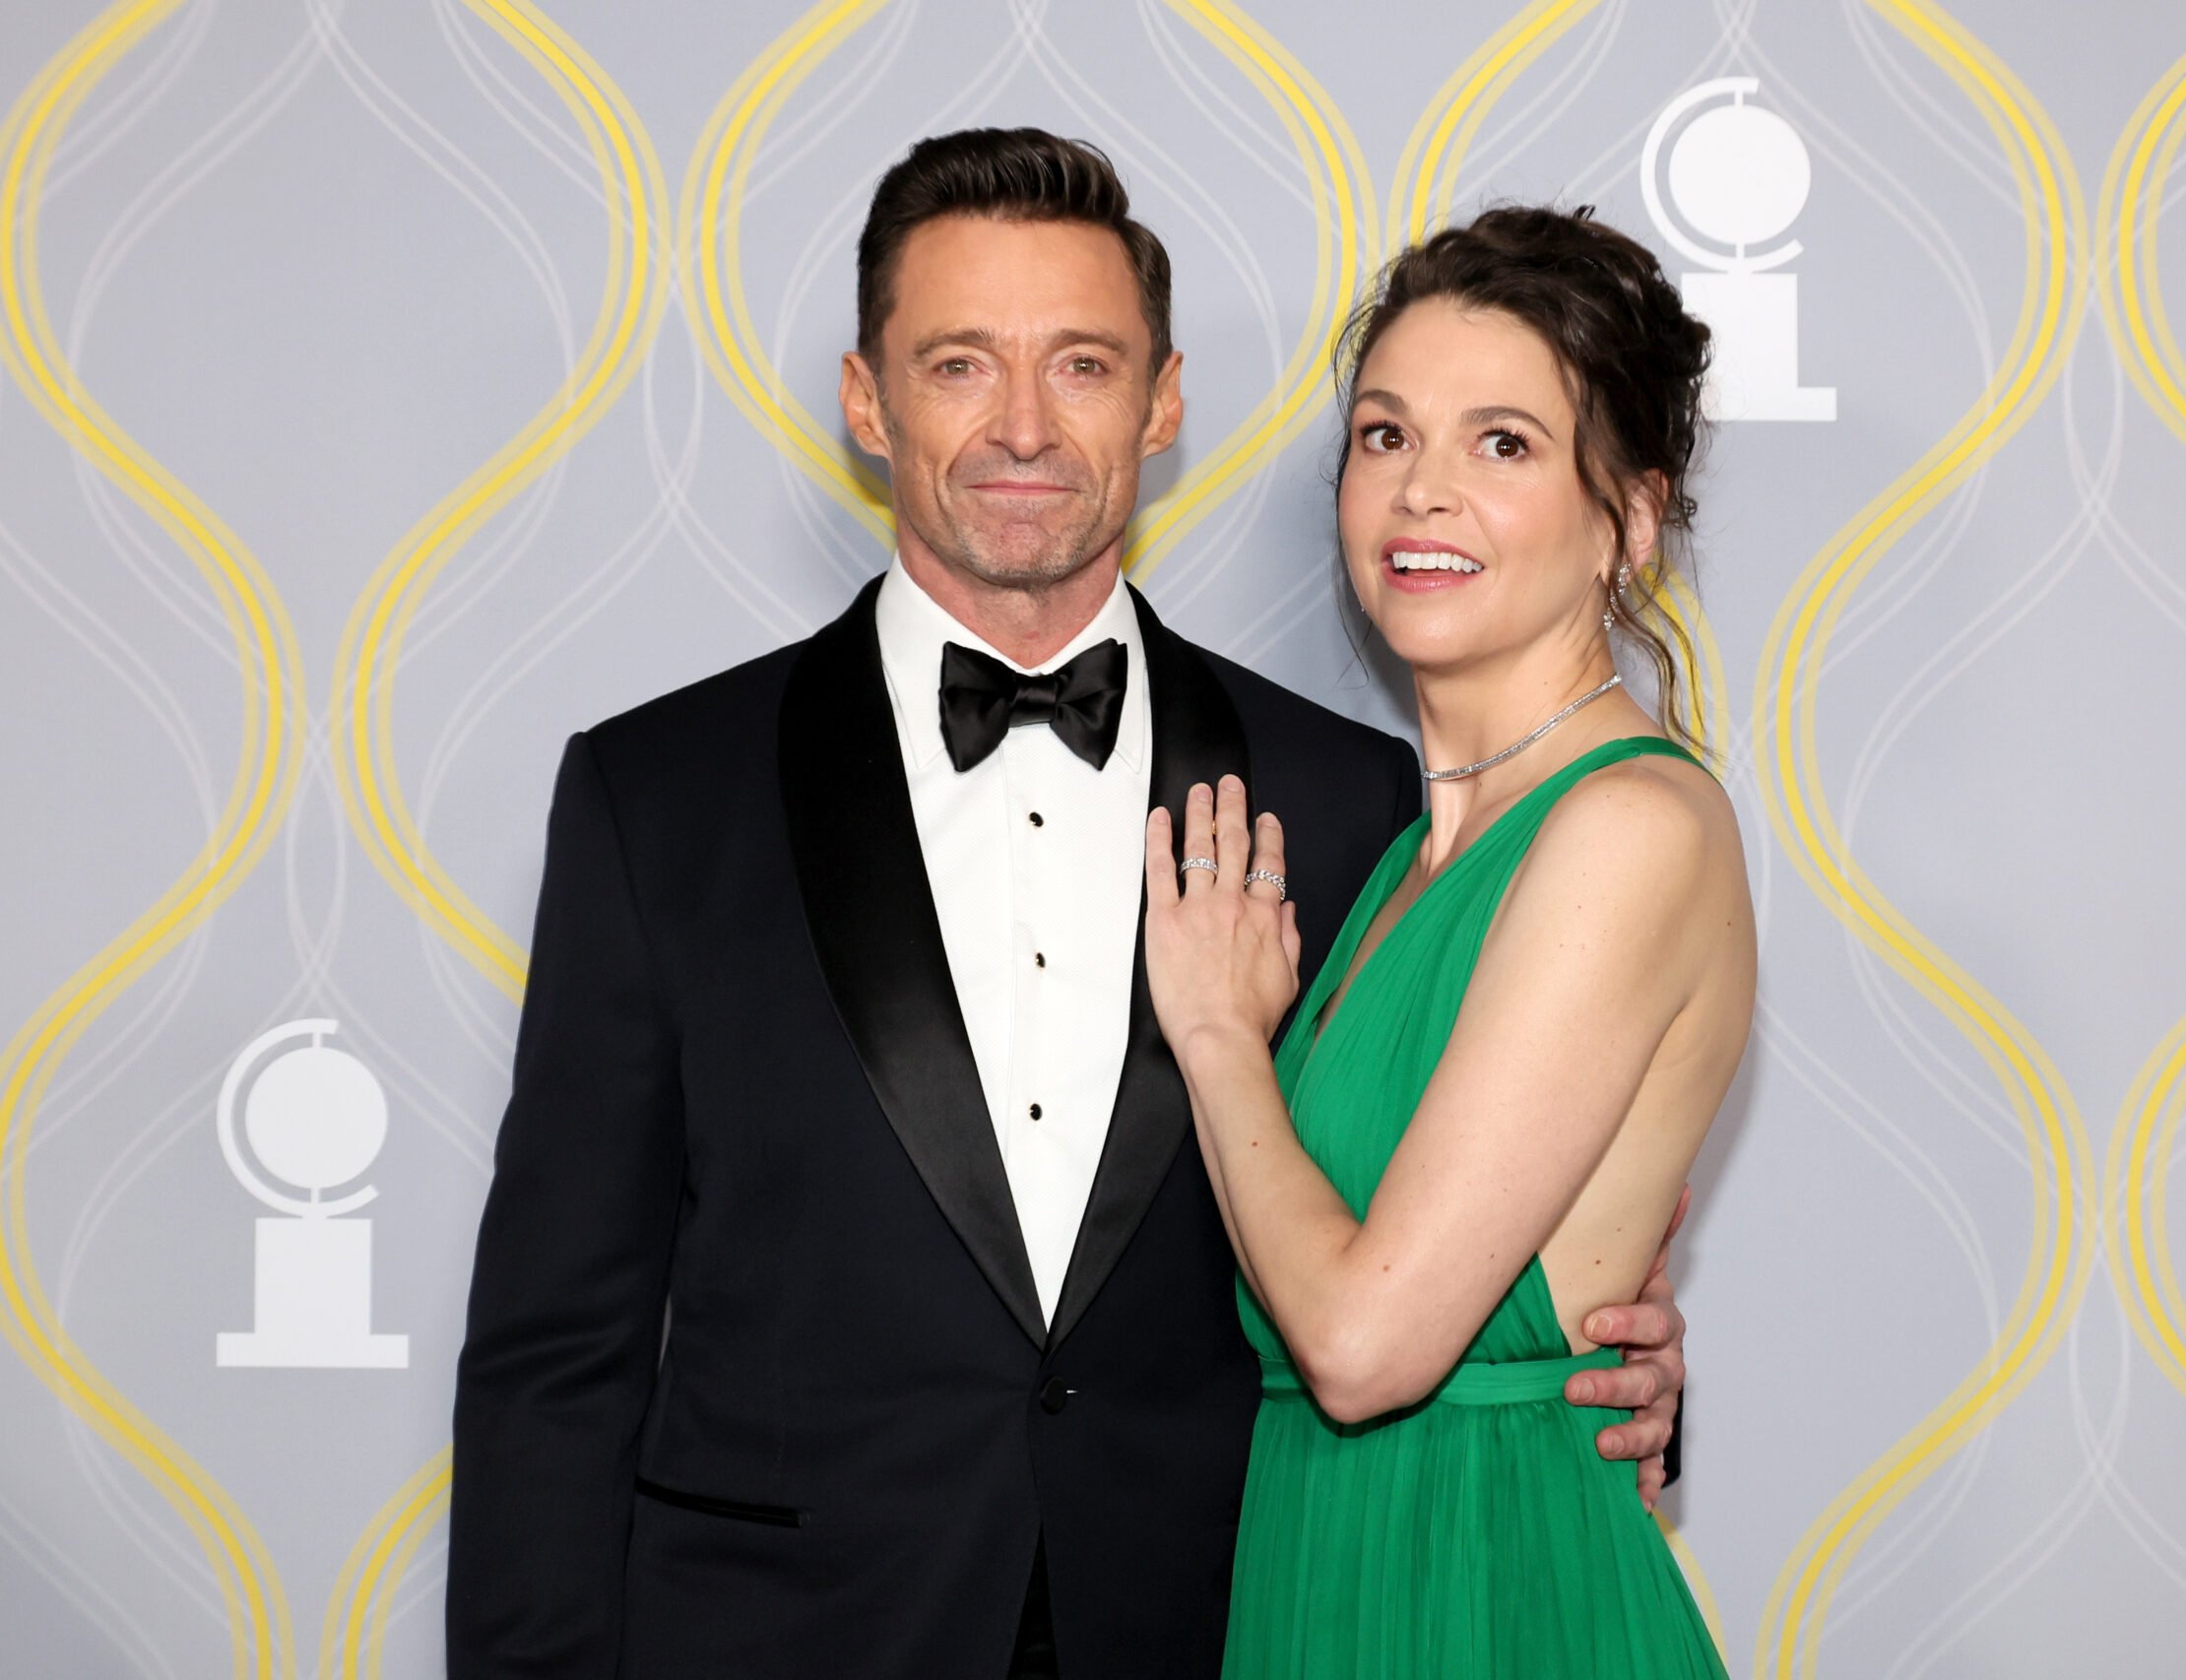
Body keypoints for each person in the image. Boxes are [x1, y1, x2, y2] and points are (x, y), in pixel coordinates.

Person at [444, 131, 1690, 1680]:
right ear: (865, 398)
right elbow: (557, 1350)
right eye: (959, 362)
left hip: (1232, 1621)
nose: (1022, 425)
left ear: (1162, 401)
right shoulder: (659, 796)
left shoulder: (1362, 800)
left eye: (1083, 364)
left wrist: (1615, 1357)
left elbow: (1464, 1227)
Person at [1142, 205, 1754, 1676]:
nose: (1422, 494)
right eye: (1384, 435)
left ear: (1629, 517)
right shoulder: (1407, 856)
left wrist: (1223, 1038)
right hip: (1327, 1578)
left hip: (1493, 1596)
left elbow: (1363, 1346)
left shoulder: (1630, 831)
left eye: (1504, 444)